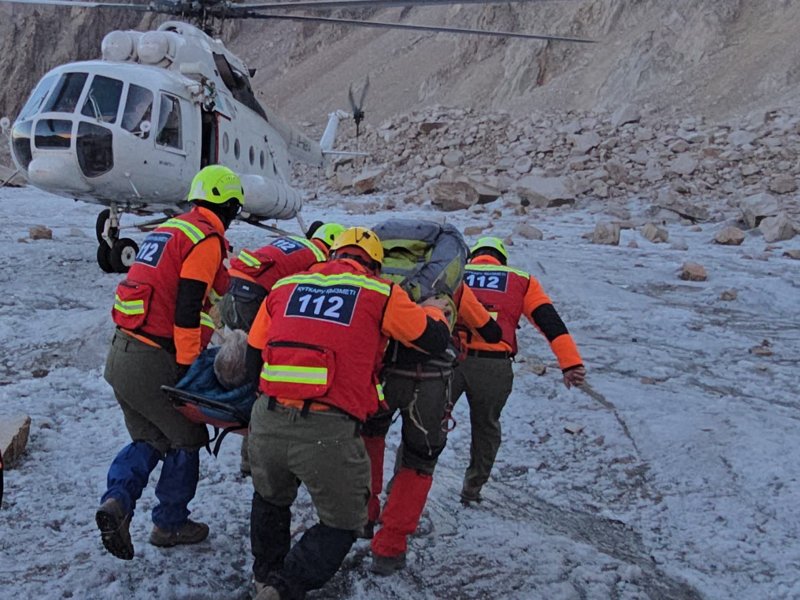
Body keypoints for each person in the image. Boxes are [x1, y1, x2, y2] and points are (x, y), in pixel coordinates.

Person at [245, 227, 452, 600]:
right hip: (327, 430)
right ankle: (283, 587)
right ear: (374, 265)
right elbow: (431, 340)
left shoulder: (286, 287)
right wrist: (435, 311)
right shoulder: (379, 291)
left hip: (266, 418)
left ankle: (265, 574)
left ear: (332, 255)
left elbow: (252, 356)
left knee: (270, 500)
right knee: (344, 522)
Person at [95, 164, 244, 560]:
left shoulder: (171, 230)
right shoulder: (206, 239)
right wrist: (188, 368)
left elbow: (201, 284)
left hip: (121, 354)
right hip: (152, 359)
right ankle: (170, 523)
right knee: (187, 438)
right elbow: (188, 304)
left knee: (150, 438)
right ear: (228, 206)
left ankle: (117, 502)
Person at [363, 281, 502, 575]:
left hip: (383, 376)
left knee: (369, 439)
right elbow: (491, 331)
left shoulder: (380, 279)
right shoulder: (452, 283)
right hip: (431, 382)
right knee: (420, 461)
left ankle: (364, 516)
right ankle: (389, 548)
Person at [451, 236, 586, 505]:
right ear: (501, 260)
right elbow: (550, 322)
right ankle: (472, 488)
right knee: (486, 428)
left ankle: (405, 487)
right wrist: (570, 363)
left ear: (473, 256)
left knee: (427, 422)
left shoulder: (455, 273)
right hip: (494, 366)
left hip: (449, 359)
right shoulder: (520, 279)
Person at [218, 221, 344, 475]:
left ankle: (226, 392)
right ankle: (252, 456)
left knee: (242, 357)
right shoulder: (319, 260)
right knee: (265, 374)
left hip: (230, 291)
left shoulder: (296, 244)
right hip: (253, 299)